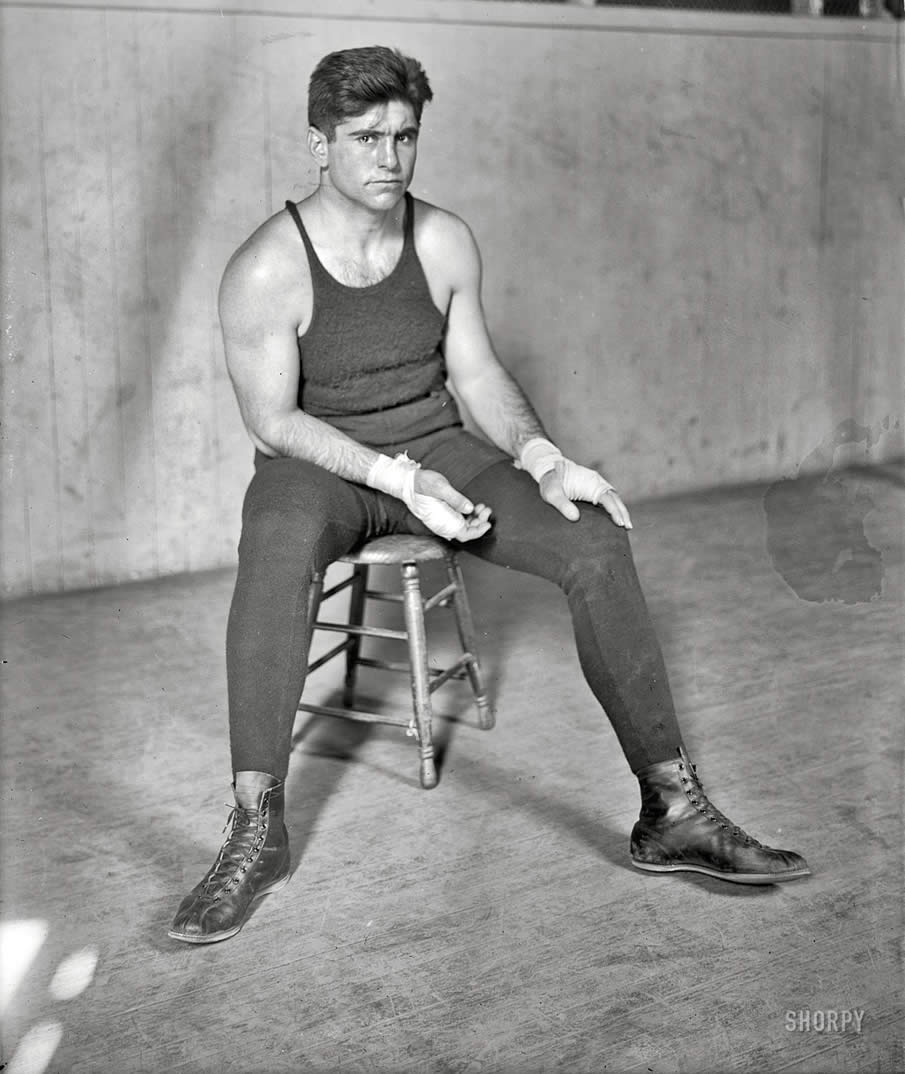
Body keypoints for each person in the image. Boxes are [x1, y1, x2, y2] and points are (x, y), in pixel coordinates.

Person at [169, 46, 810, 945]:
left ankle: (673, 812)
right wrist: (396, 480)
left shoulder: (441, 240)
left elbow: (475, 373)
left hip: (440, 444)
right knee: (272, 549)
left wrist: (544, 455)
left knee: (593, 539)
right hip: (320, 466)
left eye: (404, 136)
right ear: (317, 144)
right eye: (364, 138)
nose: (389, 159)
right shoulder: (265, 267)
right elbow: (274, 422)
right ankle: (255, 830)